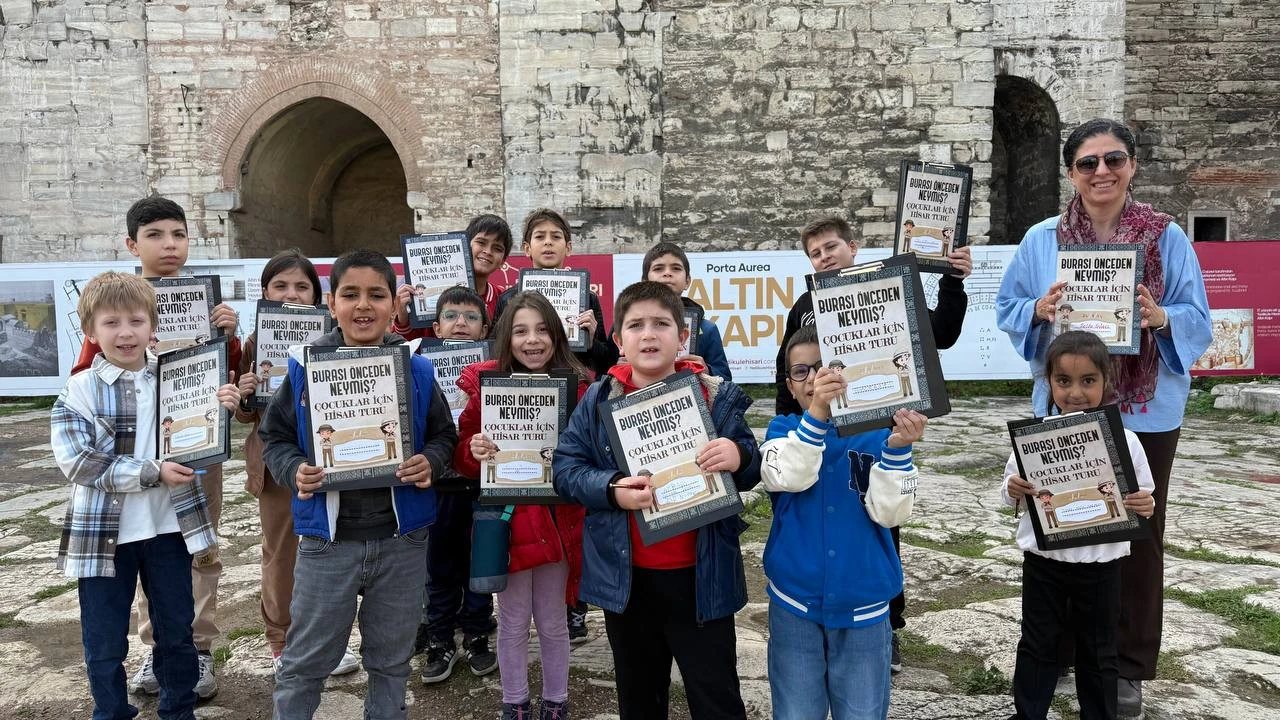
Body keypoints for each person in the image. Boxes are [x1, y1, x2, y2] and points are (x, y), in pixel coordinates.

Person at [994, 118, 1211, 717]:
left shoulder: (1166, 238)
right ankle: (1064, 652)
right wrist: (1038, 309)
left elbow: (1198, 316)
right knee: (1063, 525)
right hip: (1066, 404)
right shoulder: (1043, 239)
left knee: (1136, 532)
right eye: (1087, 163)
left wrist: (1158, 317)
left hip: (1143, 407)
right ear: (1071, 173)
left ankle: (1127, 667)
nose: (1101, 172)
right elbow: (1007, 306)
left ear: (1133, 166)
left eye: (1113, 159)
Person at [259, 249, 457, 720]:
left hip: (401, 541)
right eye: (350, 294)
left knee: (391, 662)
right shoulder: (304, 370)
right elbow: (276, 437)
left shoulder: (418, 369)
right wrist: (294, 471)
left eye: (376, 295)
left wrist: (430, 461)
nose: (363, 306)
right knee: (306, 662)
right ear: (332, 304)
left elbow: (443, 435)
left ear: (394, 305)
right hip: (328, 543)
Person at [553, 281, 761, 720]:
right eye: (636, 325)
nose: (649, 335)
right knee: (640, 695)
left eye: (661, 324)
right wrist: (611, 489)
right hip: (628, 583)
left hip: (702, 578)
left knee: (716, 693)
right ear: (618, 340)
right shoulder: (598, 399)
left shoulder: (712, 394)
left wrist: (738, 454)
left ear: (682, 336)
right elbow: (566, 470)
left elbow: (750, 467)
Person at [773, 215, 970, 673]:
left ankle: (888, 624)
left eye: (830, 247)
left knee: (881, 520)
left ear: (853, 247)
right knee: (813, 511)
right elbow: (786, 368)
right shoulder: (804, 304)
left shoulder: (888, 288)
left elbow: (941, 334)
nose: (824, 257)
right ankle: (810, 606)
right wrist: (790, 419)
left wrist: (954, 281)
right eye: (815, 253)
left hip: (874, 420)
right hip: (817, 425)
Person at [51, 271, 238, 720]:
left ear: (152, 326)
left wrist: (221, 409)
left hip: (171, 529)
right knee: (104, 639)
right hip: (104, 535)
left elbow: (203, 446)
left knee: (176, 632)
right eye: (111, 322)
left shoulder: (180, 379)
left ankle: (179, 711)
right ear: (90, 331)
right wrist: (151, 471)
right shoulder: (78, 390)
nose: (125, 333)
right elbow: (78, 462)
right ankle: (111, 712)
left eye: (135, 321)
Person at [760, 325, 926, 719]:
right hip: (794, 604)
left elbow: (892, 513)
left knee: (862, 713)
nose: (816, 378)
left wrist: (900, 450)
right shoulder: (781, 431)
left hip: (864, 606)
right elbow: (791, 475)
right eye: (802, 372)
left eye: (825, 366)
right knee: (797, 712)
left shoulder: (877, 437)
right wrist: (817, 414)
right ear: (790, 384)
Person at [1002, 331, 1156, 720]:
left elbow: (1144, 498)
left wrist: (1144, 503)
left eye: (1088, 380)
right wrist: (1014, 488)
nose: (1075, 392)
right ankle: (1029, 714)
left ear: (1107, 382)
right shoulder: (1034, 440)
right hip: (1045, 560)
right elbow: (1009, 491)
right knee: (1038, 644)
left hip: (1103, 564)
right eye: (1063, 381)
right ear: (1048, 382)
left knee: (1100, 649)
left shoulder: (1128, 441)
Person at [456, 292, 591, 719]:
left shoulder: (580, 388)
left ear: (557, 335)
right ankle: (514, 703)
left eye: (541, 330)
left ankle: (556, 701)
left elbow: (593, 455)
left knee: (553, 621)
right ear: (505, 339)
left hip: (558, 524)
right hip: (507, 525)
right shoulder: (487, 389)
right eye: (520, 331)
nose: (532, 341)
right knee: (512, 622)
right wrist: (473, 450)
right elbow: (462, 455)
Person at [232, 250, 362, 675]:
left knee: (332, 551)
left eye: (301, 286)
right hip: (278, 466)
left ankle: (328, 639)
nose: (291, 294)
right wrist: (246, 392)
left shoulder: (337, 338)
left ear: (318, 295)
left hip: (334, 457)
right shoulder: (255, 342)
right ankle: (281, 640)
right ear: (265, 292)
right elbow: (248, 414)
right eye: (281, 286)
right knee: (281, 552)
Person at [414, 286, 499, 684]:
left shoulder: (497, 373)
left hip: (482, 485)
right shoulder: (417, 368)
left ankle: (478, 634)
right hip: (438, 486)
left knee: (481, 566)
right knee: (441, 568)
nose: (460, 323)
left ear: (486, 328)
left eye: (470, 317)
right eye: (450, 316)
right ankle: (440, 638)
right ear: (435, 326)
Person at [494, 208, 619, 378]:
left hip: (573, 387)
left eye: (556, 236)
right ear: (527, 248)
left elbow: (606, 364)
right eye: (539, 236)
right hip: (523, 389)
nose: (548, 242)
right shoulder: (508, 299)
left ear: (568, 248)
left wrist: (590, 342)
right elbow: (495, 355)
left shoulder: (587, 298)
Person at [393, 214, 514, 340]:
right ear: (464, 245)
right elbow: (409, 345)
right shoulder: (425, 293)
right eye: (481, 242)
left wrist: (489, 329)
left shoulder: (504, 300)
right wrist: (403, 319)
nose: (488, 251)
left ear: (503, 261)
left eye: (497, 248)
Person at [639, 241, 732, 379]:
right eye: (658, 268)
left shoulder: (707, 329)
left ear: (687, 281)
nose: (667, 273)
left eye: (676, 268)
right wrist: (616, 369)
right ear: (645, 280)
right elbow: (604, 377)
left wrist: (708, 371)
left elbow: (725, 379)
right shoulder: (626, 326)